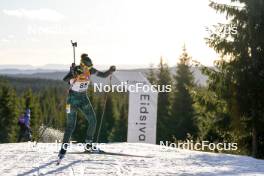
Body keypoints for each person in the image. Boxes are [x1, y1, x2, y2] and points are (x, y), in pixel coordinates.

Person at [58, 53, 116, 159]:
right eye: (87, 68)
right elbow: (65, 80)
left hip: (83, 98)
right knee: (71, 125)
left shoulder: (90, 70)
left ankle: (88, 145)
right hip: (71, 100)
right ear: (82, 65)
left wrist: (110, 70)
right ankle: (63, 149)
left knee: (93, 120)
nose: (88, 70)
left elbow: (103, 75)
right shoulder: (76, 69)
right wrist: (73, 74)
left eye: (89, 67)